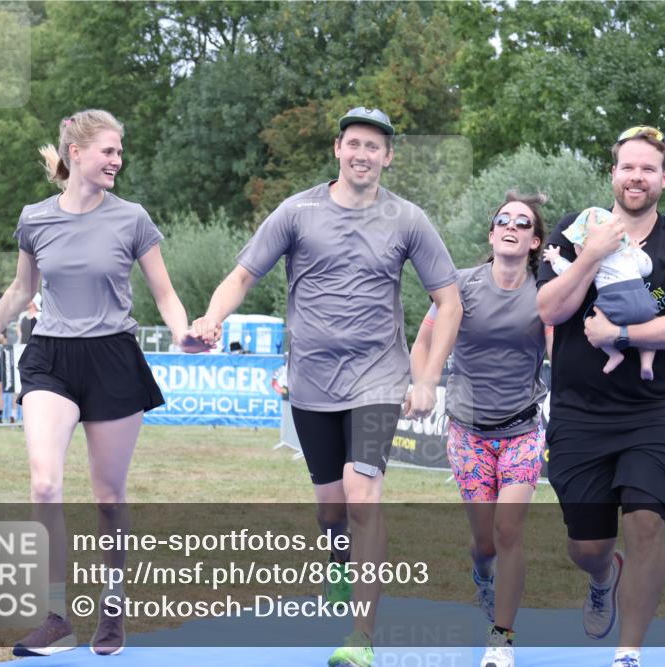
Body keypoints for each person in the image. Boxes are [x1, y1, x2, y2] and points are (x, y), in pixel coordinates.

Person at [190, 106, 462, 667]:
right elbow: (243, 275)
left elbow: (450, 300)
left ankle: (362, 636)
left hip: (378, 380)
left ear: (388, 156)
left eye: (374, 146)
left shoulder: (408, 219)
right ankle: (337, 560)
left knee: (363, 497)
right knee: (331, 508)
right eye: (354, 143)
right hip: (311, 384)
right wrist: (211, 319)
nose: (363, 154)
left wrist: (428, 378)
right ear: (338, 149)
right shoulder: (298, 211)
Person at [0, 109, 195, 657]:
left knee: (108, 497)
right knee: (44, 484)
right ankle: (55, 616)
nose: (117, 161)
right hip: (50, 357)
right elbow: (17, 292)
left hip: (113, 359)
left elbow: (165, 294)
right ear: (75, 152)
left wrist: (183, 334)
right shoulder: (35, 218)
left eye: (119, 152)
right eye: (108, 151)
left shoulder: (132, 219)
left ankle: (112, 603)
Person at [536, 125, 665, 667]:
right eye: (627, 167)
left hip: (652, 412)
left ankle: (628, 654)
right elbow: (548, 309)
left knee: (645, 523)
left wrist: (621, 336)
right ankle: (602, 575)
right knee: (587, 547)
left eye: (647, 168)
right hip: (579, 415)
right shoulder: (576, 229)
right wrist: (590, 255)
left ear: (663, 178)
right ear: (613, 174)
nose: (636, 176)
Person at [409, 191, 548, 667]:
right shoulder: (461, 286)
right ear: (491, 235)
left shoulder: (545, 291)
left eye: (523, 223)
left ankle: (501, 639)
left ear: (534, 241)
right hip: (467, 431)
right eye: (502, 220)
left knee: (510, 532)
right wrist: (421, 383)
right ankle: (481, 571)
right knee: (485, 541)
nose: (511, 225)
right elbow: (425, 338)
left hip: (523, 428)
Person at [542, 206, 658, 379]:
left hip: (615, 303)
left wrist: (554, 258)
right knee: (649, 330)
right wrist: (636, 250)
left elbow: (567, 271)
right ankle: (647, 363)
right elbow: (647, 268)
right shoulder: (627, 253)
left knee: (595, 326)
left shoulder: (595, 258)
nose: (575, 249)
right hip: (643, 302)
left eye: (577, 245)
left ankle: (613, 354)